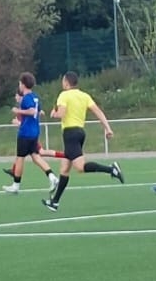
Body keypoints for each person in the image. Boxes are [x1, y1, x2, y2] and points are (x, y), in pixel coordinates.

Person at [42, 72, 123, 212]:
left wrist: (54, 113)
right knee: (64, 169)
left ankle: (112, 169)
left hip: (70, 134)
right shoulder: (84, 96)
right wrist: (107, 128)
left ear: (66, 82)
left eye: (63, 81)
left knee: (80, 167)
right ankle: (55, 202)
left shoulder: (64, 95)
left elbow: (61, 114)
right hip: (79, 133)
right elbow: (98, 112)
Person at [3, 73, 59, 194]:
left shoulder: (27, 98)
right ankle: (52, 177)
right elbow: (38, 112)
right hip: (34, 132)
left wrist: (18, 111)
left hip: (26, 133)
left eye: (20, 83)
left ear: (23, 84)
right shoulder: (35, 97)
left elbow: (32, 111)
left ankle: (16, 186)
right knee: (36, 157)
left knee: (20, 158)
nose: (19, 85)